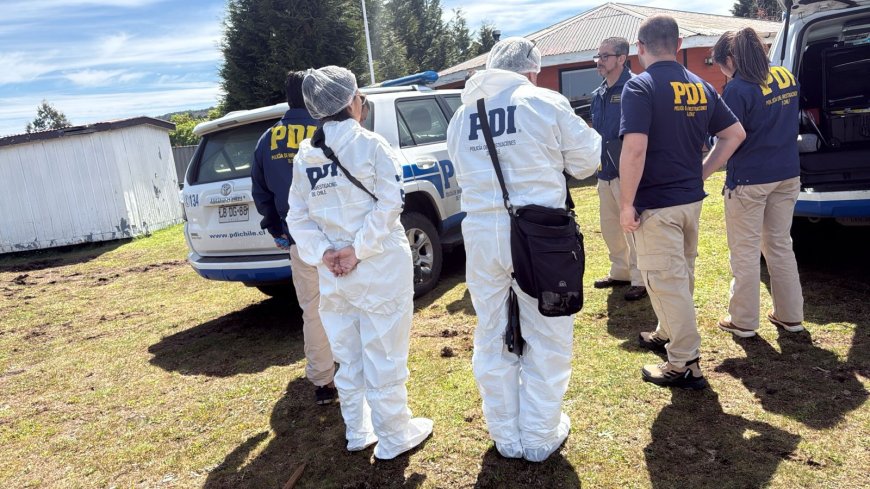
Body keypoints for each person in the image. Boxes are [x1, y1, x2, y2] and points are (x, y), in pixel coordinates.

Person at [446, 37, 601, 462]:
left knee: (492, 331)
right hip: (540, 237)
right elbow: (588, 161)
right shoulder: (544, 102)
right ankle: (537, 436)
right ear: (531, 69)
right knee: (547, 330)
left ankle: (506, 436)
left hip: (480, 236)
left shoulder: (462, 115)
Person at [286, 65, 432, 460]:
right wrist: (358, 250)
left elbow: (296, 216)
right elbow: (390, 203)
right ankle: (394, 433)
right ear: (352, 102)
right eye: (360, 96)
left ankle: (358, 429)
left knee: (348, 355)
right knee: (384, 350)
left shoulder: (307, 155)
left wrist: (325, 254)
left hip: (333, 275)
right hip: (379, 268)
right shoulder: (371, 145)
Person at [619, 15, 745, 389]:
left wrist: (626, 203)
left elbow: (635, 149)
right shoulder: (701, 86)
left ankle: (685, 362)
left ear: (640, 48)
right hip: (689, 202)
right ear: (677, 45)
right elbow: (734, 134)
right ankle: (665, 331)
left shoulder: (639, 87)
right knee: (678, 277)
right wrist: (702, 173)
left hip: (656, 205)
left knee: (667, 281)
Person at [704, 28, 804, 338]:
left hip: (749, 179)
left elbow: (730, 137)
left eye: (720, 64)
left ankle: (743, 321)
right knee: (780, 246)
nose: (721, 70)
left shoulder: (738, 89)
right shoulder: (785, 76)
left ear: (731, 60)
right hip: (787, 174)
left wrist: (708, 142)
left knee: (745, 251)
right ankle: (791, 316)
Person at [250, 71, 337, 406]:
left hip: (301, 242)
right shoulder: (328, 131)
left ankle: (323, 381)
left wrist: (277, 230)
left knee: (313, 310)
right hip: (339, 240)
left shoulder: (268, 139)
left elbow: (261, 191)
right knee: (351, 304)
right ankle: (355, 369)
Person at [590, 37, 647, 301]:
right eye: (598, 56)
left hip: (628, 172)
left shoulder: (635, 88)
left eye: (605, 56)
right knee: (610, 227)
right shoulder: (598, 94)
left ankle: (640, 278)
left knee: (633, 228)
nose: (599, 62)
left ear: (622, 58)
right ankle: (620, 271)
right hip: (605, 172)